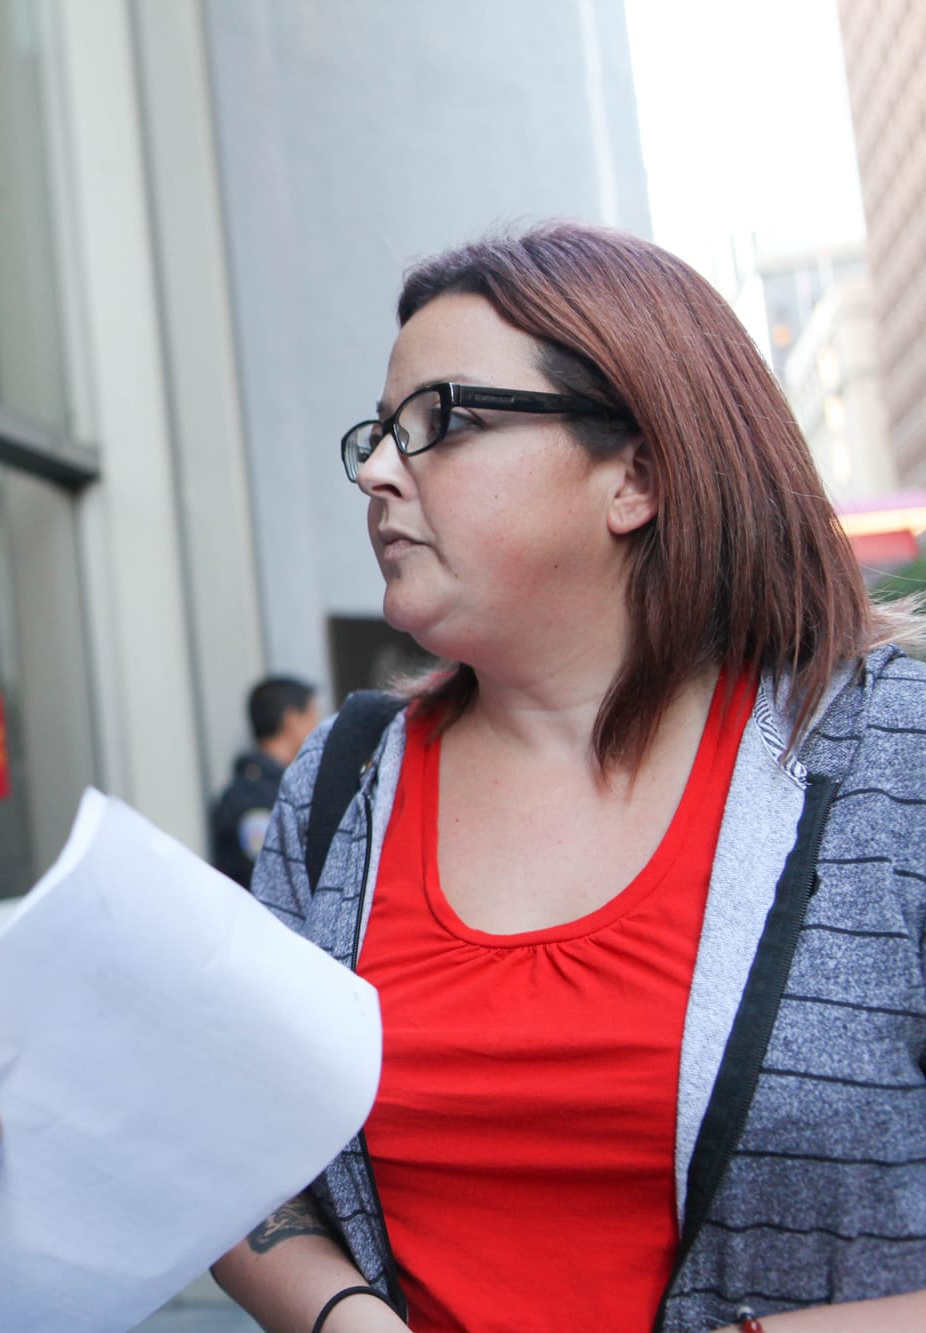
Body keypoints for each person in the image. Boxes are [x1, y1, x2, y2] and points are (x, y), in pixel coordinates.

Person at [210, 222, 926, 1332]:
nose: (371, 469)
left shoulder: (894, 756)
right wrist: (342, 1317)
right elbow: (235, 1143)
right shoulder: (342, 784)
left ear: (633, 475)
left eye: (434, 422)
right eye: (374, 431)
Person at [209, 675, 319, 886]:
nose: (318, 729)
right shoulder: (255, 797)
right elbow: (269, 878)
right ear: (292, 721)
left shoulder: (283, 786)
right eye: (312, 718)